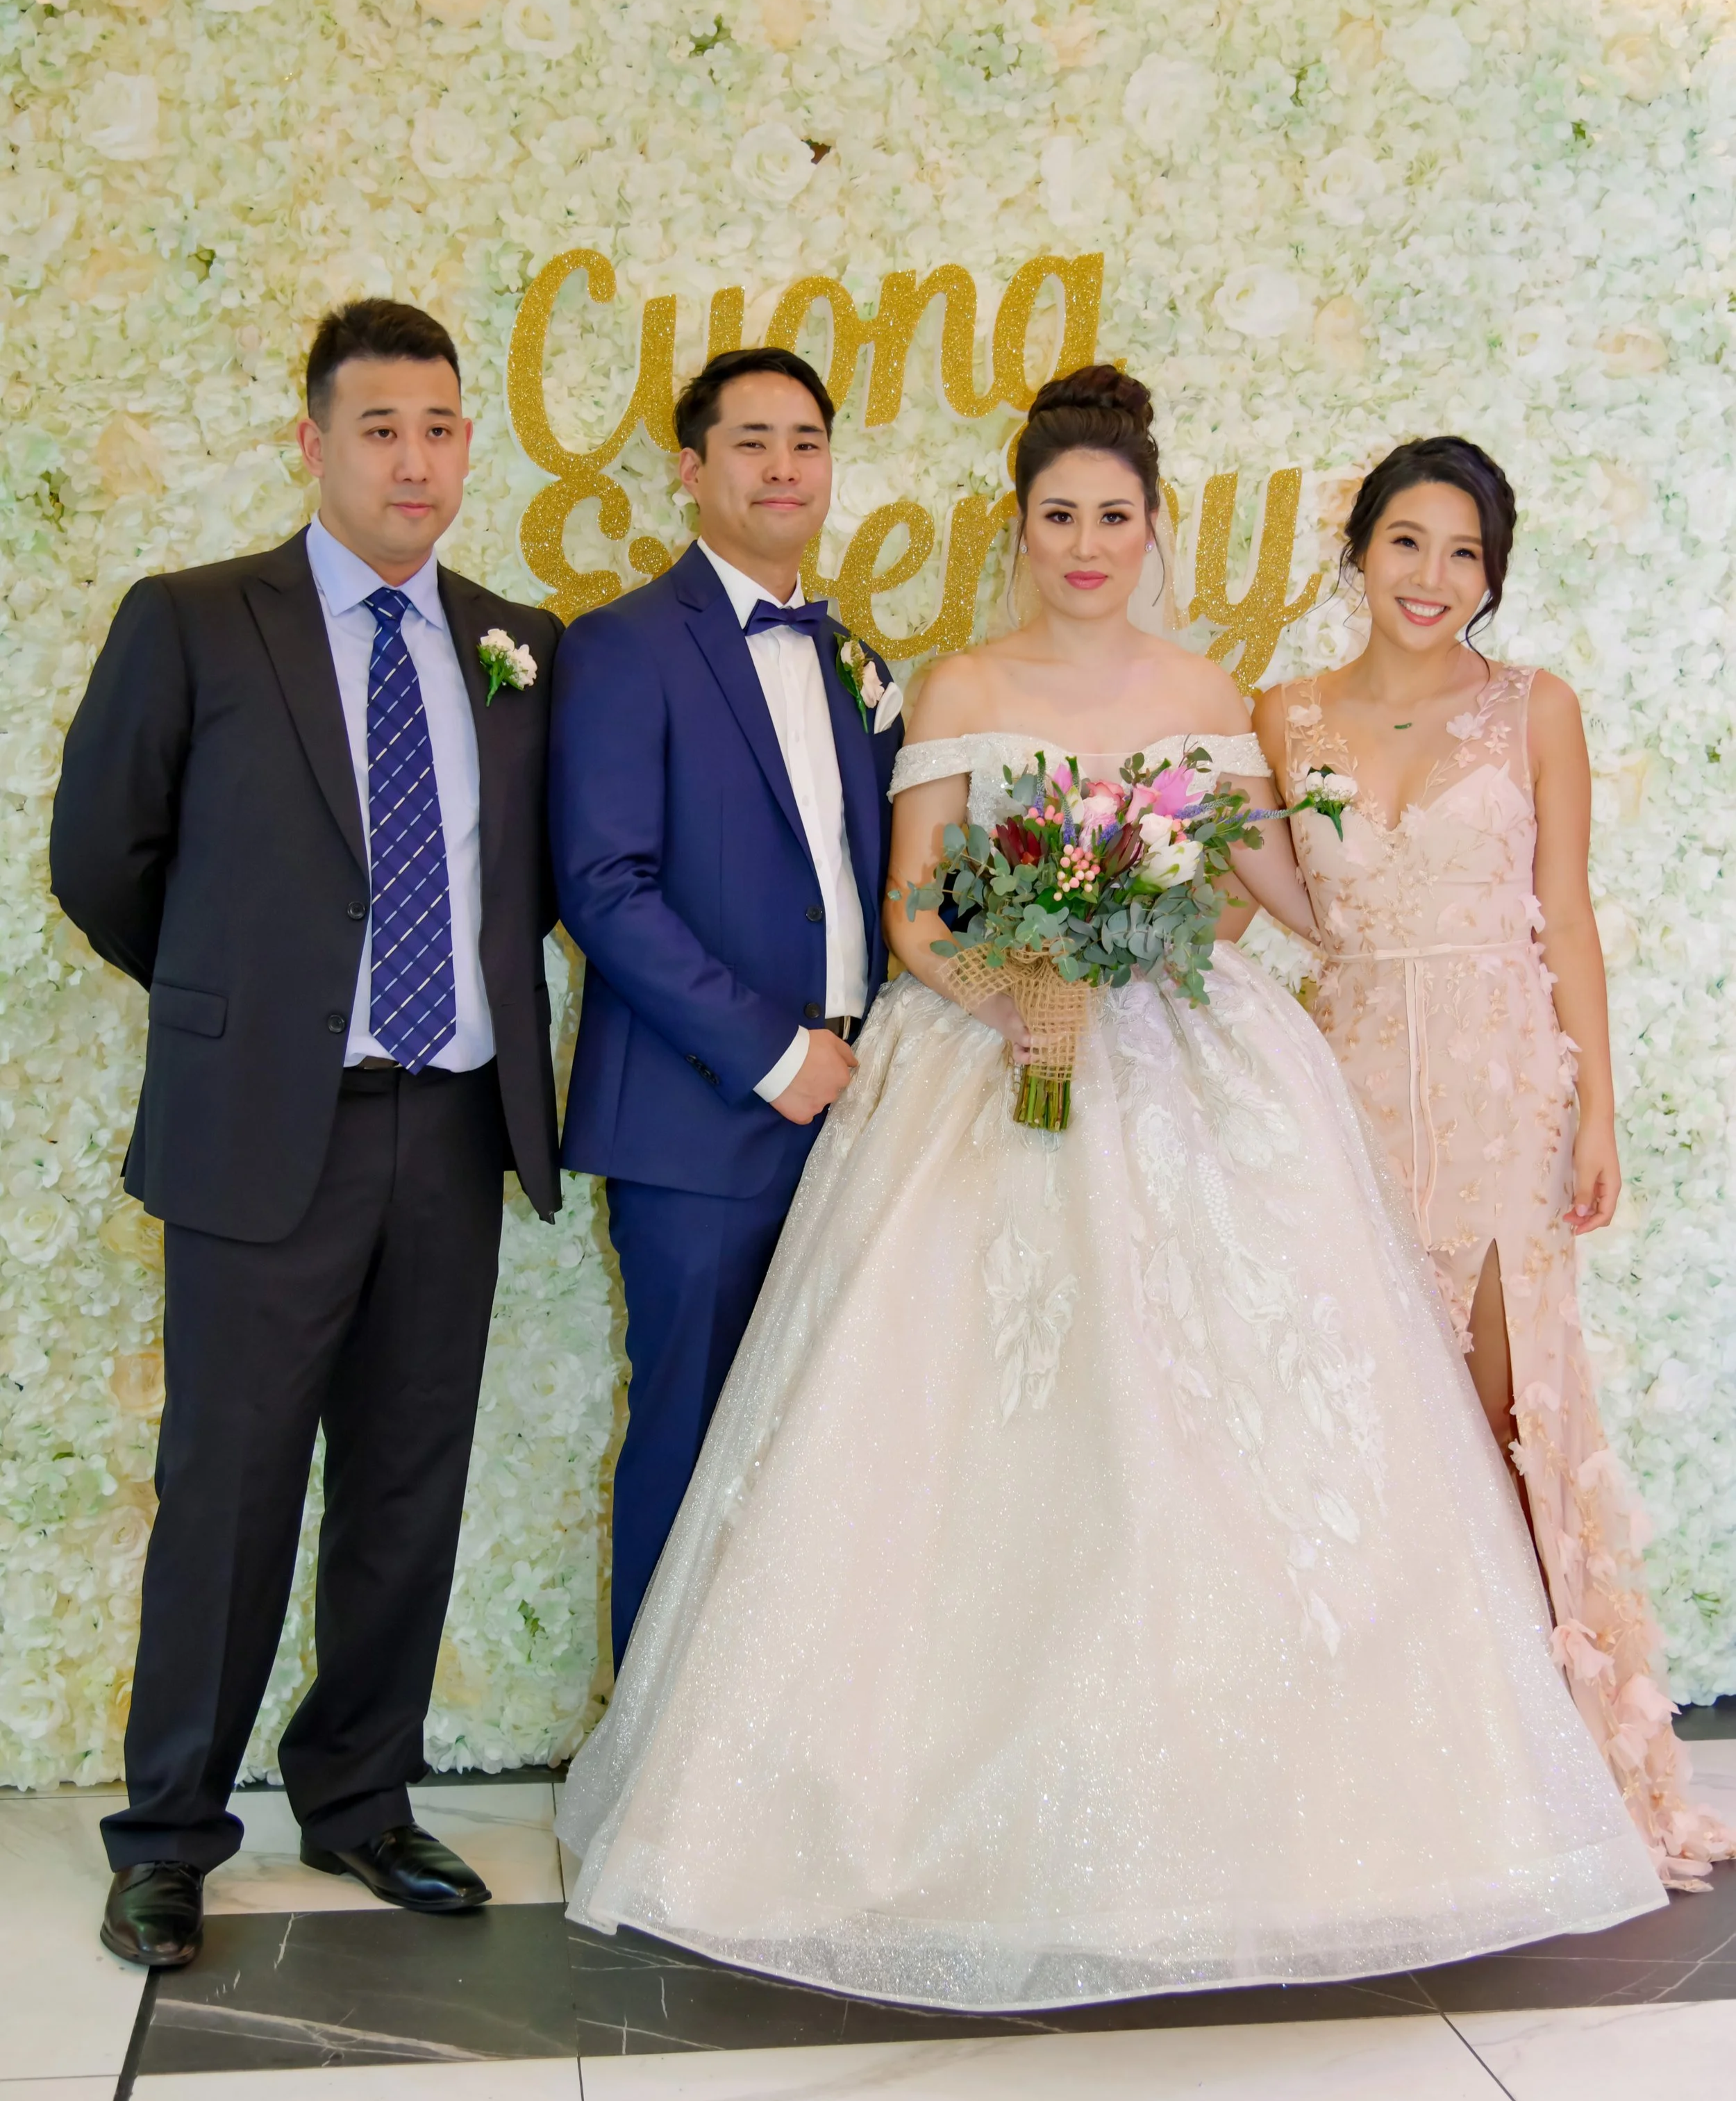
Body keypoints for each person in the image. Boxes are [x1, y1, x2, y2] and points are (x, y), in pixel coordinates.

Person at [554, 367, 1665, 2011]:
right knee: (970, 1436)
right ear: (1023, 528)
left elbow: (1255, 890)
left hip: (1185, 1084)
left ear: (1155, 531)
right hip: (981, 1073)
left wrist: (1168, 931)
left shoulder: (1212, 686)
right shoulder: (949, 681)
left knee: (1213, 1425)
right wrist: (1013, 983)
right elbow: (914, 903)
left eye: (1115, 517)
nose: (1088, 543)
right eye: (1060, 516)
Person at [51, 299, 562, 1970]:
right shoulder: (198, 622)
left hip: (454, 1125)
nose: (415, 460)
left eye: (440, 427)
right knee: (230, 1486)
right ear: (313, 444)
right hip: (270, 1127)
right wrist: (243, 1002)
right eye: (379, 429)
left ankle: (358, 1800)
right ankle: (169, 1835)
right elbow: (101, 858)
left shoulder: (513, 643)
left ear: (466, 443)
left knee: (407, 1483)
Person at [1255, 435, 1735, 1888]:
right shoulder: (1279, 714)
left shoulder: (1532, 709)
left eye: (1464, 554)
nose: (1433, 578)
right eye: (1408, 542)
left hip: (1495, 1092)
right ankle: (1396, 1766)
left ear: (1492, 576)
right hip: (1340, 1098)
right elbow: (1262, 901)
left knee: (1506, 1417)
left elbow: (1566, 915)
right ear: (1356, 553)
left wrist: (1594, 1107)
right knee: (1367, 1428)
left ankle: (1548, 1768)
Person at [550, 346, 903, 1674]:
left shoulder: (859, 660)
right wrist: (770, 1052)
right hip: (702, 1125)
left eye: (806, 442)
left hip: (861, 1119)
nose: (782, 467)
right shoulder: (622, 647)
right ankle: (647, 1788)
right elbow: (603, 884)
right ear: (690, 470)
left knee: (825, 1460)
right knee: (690, 1440)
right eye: (750, 442)